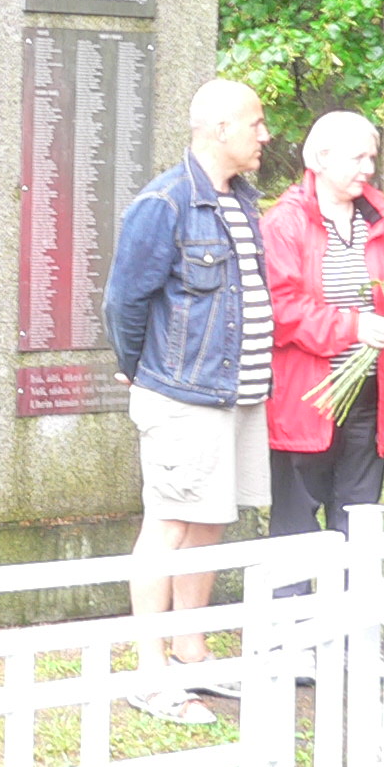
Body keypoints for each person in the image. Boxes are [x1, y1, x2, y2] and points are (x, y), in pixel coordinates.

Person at [102, 77, 274, 725]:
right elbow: (123, 301)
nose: (265, 135)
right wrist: (141, 370)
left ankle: (191, 653)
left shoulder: (242, 201)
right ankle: (150, 676)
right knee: (169, 524)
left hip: (236, 395)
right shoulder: (165, 203)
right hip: (184, 396)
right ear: (219, 129)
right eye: (255, 123)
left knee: (209, 521)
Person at [263, 112, 384, 572]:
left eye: (372, 158)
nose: (369, 168)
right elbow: (281, 310)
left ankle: (350, 613)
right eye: (358, 158)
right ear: (321, 158)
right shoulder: (284, 223)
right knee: (297, 525)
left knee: (358, 519)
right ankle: (292, 613)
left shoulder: (382, 220)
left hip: (369, 395)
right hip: (306, 397)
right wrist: (353, 327)